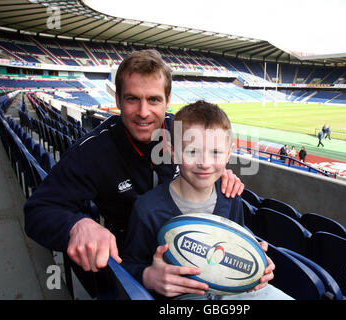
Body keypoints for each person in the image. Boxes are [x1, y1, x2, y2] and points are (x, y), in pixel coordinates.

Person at [23, 49, 244, 273]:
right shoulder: (92, 152)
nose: (143, 112)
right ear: (117, 99)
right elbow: (37, 211)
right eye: (132, 99)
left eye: (154, 100)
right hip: (129, 268)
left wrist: (218, 176)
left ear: (168, 101)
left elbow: (210, 158)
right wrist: (77, 225)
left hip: (194, 258)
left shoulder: (182, 133)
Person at [121, 101, 292, 300]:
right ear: (174, 152)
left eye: (216, 152)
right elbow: (127, 266)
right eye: (192, 152)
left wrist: (256, 267)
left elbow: (234, 247)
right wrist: (148, 276)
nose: (205, 163)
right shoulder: (148, 209)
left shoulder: (231, 198)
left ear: (229, 153)